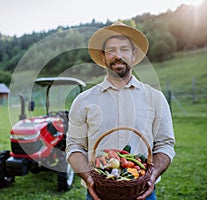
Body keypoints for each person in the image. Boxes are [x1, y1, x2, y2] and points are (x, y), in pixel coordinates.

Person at [65, 22, 175, 200]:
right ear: (103, 56)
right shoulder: (83, 101)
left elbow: (165, 144)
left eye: (124, 49)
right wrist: (88, 177)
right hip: (98, 192)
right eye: (111, 50)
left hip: (142, 192)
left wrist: (152, 175)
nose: (118, 55)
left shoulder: (155, 98)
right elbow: (74, 146)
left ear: (134, 54)